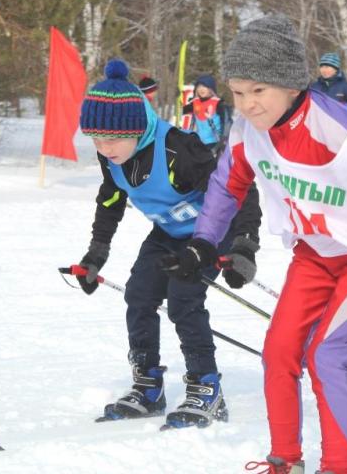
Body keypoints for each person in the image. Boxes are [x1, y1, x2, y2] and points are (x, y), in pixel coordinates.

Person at [161, 15, 347, 474]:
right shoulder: (248, 130)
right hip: (313, 256)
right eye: (238, 92)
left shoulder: (338, 127)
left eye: (258, 91)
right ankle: (285, 460)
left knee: (326, 356)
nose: (246, 105)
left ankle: (338, 467)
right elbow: (228, 187)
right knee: (279, 352)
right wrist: (203, 244)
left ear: (289, 84)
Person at [74, 58, 262, 429]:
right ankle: (148, 387)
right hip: (168, 233)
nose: (104, 147)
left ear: (136, 128)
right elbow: (110, 199)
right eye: (96, 139)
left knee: (182, 301)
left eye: (112, 139)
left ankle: (207, 389)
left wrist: (243, 246)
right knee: (139, 296)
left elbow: (237, 189)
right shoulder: (110, 155)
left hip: (210, 234)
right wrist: (96, 253)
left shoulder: (178, 148)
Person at [309, 52, 347, 117]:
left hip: (338, 123)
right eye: (322, 66)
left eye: (327, 67)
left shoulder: (344, 86)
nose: (324, 70)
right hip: (318, 123)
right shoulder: (314, 87)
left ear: (335, 69)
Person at [182, 74, 230, 151]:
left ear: (211, 89)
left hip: (215, 144)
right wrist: (179, 97)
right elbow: (183, 113)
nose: (201, 89)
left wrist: (223, 142)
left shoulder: (219, 104)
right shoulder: (194, 103)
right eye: (199, 86)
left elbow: (227, 123)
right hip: (199, 143)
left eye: (205, 86)